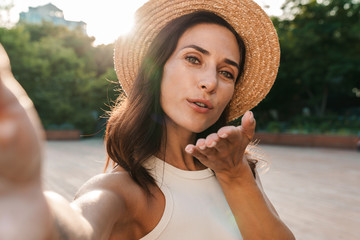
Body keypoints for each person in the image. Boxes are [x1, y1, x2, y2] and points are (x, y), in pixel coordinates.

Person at [0, 0, 295, 239]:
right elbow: (77, 227)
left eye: (226, 72)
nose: (210, 82)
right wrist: (29, 202)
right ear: (156, 69)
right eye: (193, 59)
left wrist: (236, 176)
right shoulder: (123, 190)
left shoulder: (238, 170)